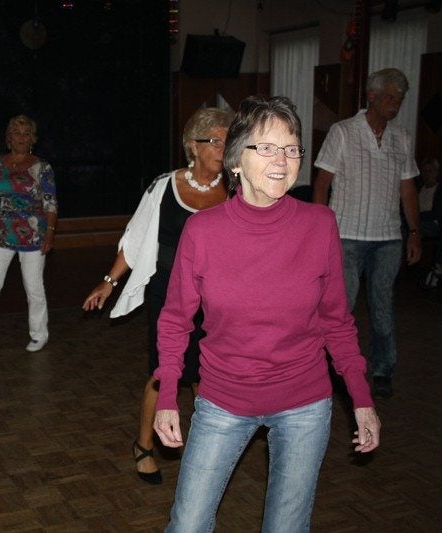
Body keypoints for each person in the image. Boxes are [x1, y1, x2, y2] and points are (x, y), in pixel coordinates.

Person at [154, 96, 381, 531]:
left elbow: (337, 321)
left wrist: (362, 398)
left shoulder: (319, 225)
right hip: (223, 400)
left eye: (292, 148)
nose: (282, 160)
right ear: (235, 160)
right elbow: (175, 319)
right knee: (187, 524)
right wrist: (167, 396)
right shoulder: (202, 231)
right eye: (267, 147)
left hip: (304, 404)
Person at [82, 107, 233, 485]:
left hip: (217, 297)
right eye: (215, 141)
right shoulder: (165, 187)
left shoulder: (237, 189)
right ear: (193, 145)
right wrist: (109, 281)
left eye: (228, 141)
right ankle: (144, 444)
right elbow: (135, 239)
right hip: (169, 293)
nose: (223, 148)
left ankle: (206, 449)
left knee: (207, 374)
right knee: (164, 371)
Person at [313, 68, 421, 399]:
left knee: (383, 306)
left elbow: (407, 189)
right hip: (345, 236)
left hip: (387, 238)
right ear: (371, 96)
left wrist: (414, 232)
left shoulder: (402, 137)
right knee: (339, 309)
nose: (394, 103)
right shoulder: (343, 132)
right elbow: (322, 185)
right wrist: (318, 232)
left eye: (399, 98)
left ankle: (383, 369)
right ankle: (332, 369)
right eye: (389, 96)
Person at [0, 114, 58, 352]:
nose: (21, 138)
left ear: (33, 139)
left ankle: (39, 334)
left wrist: (49, 234)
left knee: (34, 287)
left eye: (26, 134)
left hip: (33, 235)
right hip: (1, 233)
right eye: (17, 133)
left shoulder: (43, 167)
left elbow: (50, 203)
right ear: (9, 138)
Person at [415, 158, 442, 240]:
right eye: (424, 171)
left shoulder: (441, 190)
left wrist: (416, 216)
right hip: (419, 220)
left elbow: (436, 213)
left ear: (436, 173)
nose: (426, 174)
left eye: (430, 171)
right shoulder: (419, 189)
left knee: (412, 227)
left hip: (434, 224)